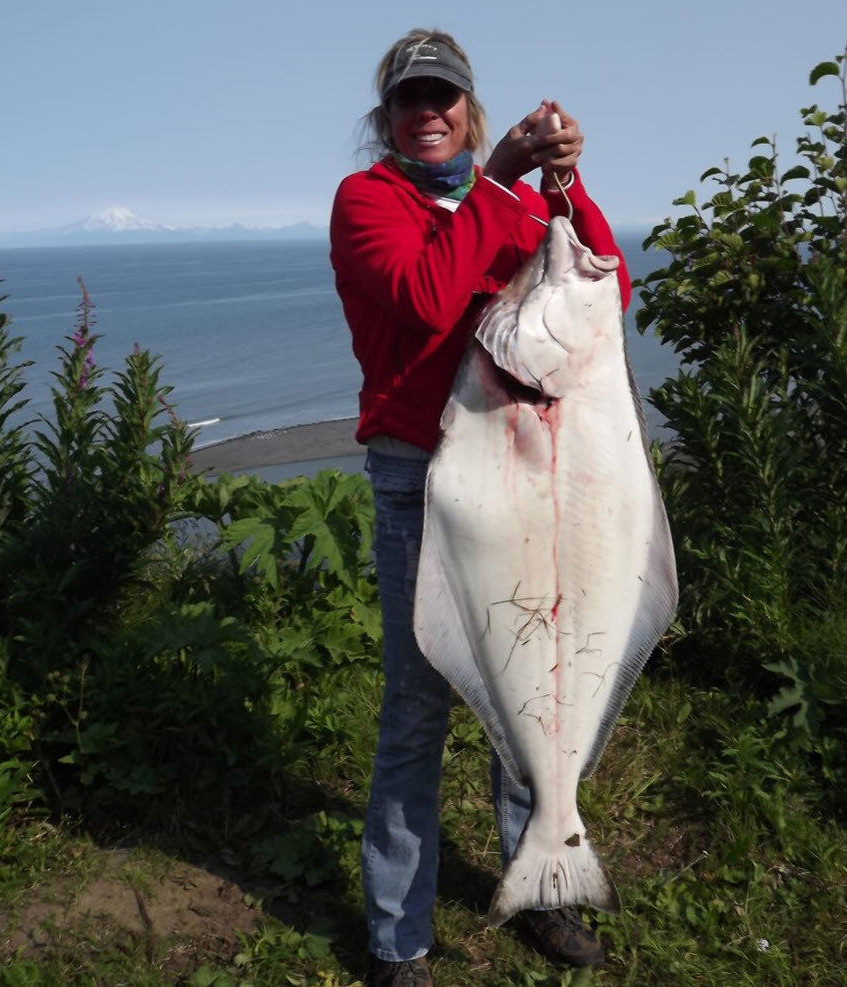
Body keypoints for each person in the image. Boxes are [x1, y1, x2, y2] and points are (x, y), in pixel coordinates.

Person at [329, 29, 632, 987]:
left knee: (533, 668)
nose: (429, 112)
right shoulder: (366, 201)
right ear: (386, 117)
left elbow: (600, 280)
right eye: (411, 99)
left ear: (470, 109)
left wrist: (563, 182)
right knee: (418, 709)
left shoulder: (509, 197)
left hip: (527, 466)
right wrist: (500, 186)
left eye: (444, 97)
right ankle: (396, 938)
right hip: (421, 473)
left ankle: (542, 877)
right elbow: (424, 296)